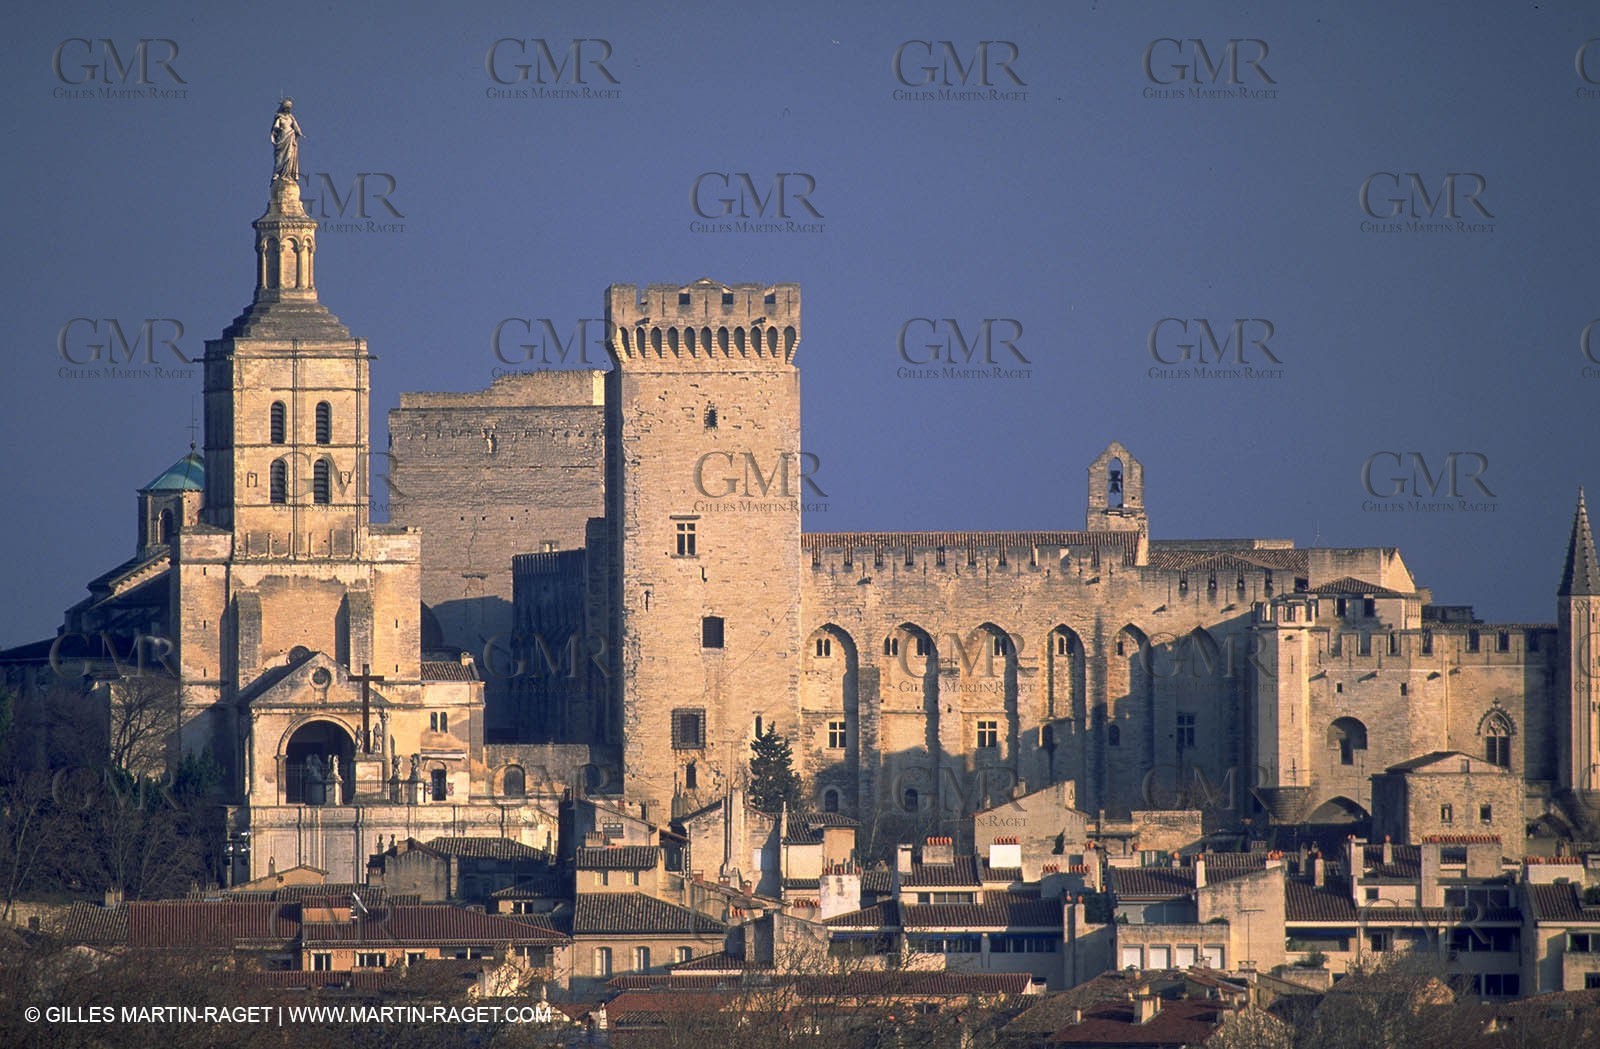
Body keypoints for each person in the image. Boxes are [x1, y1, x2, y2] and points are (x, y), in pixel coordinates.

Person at [271, 99, 303, 182]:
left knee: (289, 156)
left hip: (290, 137)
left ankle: (288, 173)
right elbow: (275, 128)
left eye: (289, 108)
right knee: (280, 157)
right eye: (287, 107)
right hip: (282, 137)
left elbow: (296, 127)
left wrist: (299, 133)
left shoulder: (291, 118)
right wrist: (273, 136)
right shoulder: (279, 117)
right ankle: (278, 173)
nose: (288, 109)